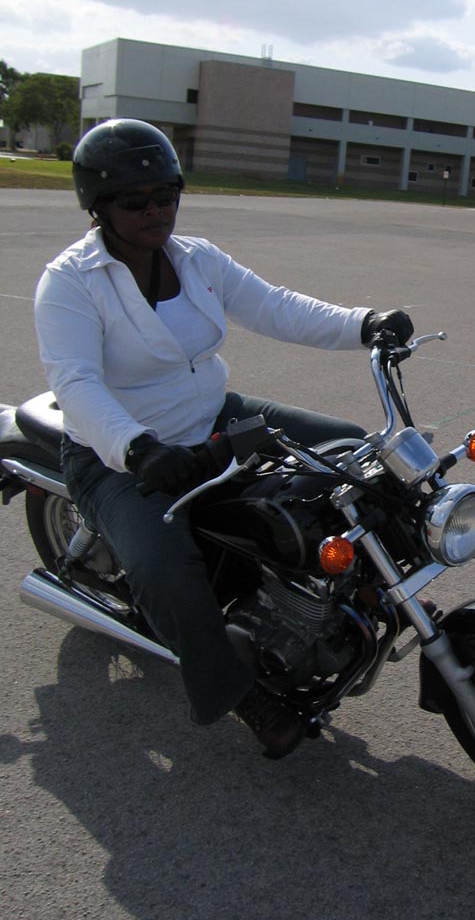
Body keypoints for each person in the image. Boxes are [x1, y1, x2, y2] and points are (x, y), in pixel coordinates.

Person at [34, 118, 413, 759]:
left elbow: (274, 305)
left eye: (166, 195)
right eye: (134, 201)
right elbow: (76, 383)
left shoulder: (196, 258)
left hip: (215, 417)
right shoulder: (70, 281)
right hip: (118, 455)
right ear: (97, 207)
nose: (155, 211)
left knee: (354, 452)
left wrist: (364, 323)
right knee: (166, 572)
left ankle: (365, 591)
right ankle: (239, 692)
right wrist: (137, 449)